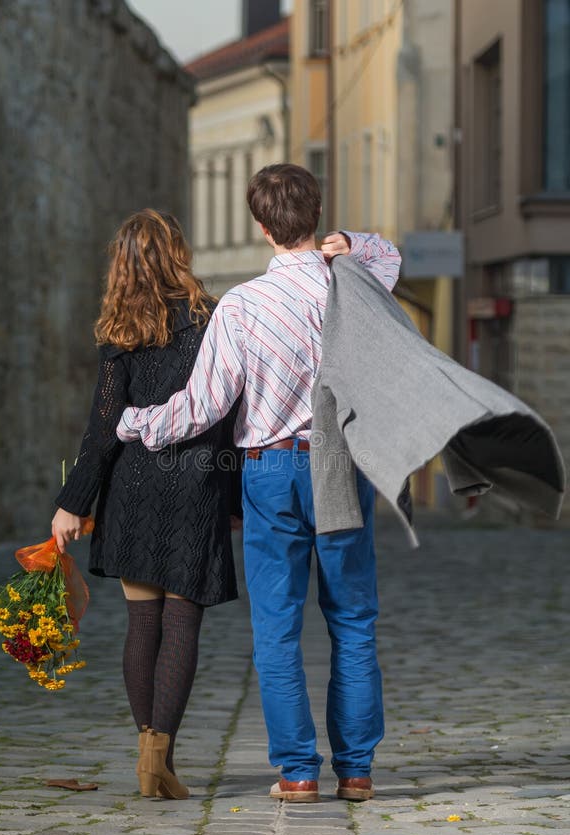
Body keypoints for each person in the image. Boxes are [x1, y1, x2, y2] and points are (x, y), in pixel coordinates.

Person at [116, 165, 402, 802]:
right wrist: (350, 243)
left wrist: (138, 424)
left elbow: (204, 404)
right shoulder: (355, 283)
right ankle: (355, 770)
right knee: (353, 618)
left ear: (261, 226)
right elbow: (390, 253)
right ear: (316, 216)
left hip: (270, 468)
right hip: (343, 463)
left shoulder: (243, 306)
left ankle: (298, 772)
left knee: (276, 626)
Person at [52, 209, 239, 800]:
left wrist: (72, 503)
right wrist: (233, 499)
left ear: (123, 267)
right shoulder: (210, 318)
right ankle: (162, 761)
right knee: (181, 625)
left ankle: (146, 758)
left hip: (132, 488)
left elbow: (102, 430)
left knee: (142, 627)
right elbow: (229, 413)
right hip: (194, 486)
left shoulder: (119, 330)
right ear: (177, 254)